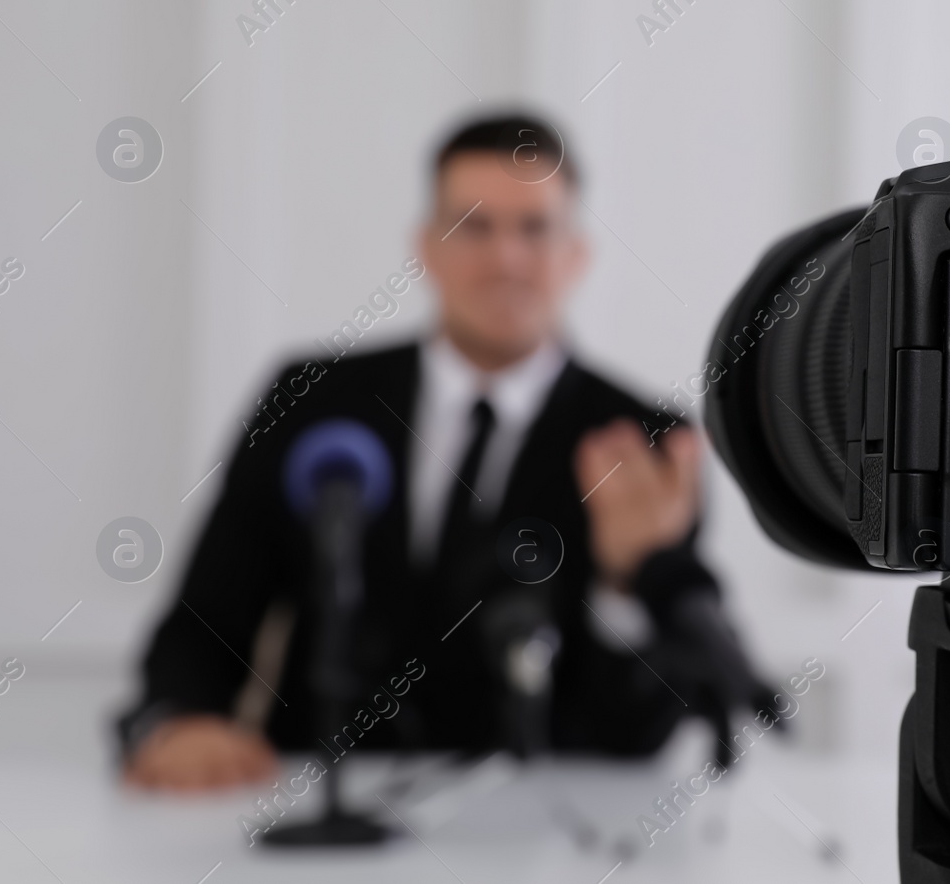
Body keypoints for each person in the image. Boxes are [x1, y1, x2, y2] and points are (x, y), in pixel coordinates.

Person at [120, 114, 747, 790]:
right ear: (427, 246)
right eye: (474, 226)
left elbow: (638, 731)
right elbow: (207, 614)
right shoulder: (311, 400)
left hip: (544, 825)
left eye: (534, 228)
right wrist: (176, 718)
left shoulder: (640, 439)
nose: (505, 256)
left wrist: (627, 584)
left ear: (575, 254)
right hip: (327, 807)